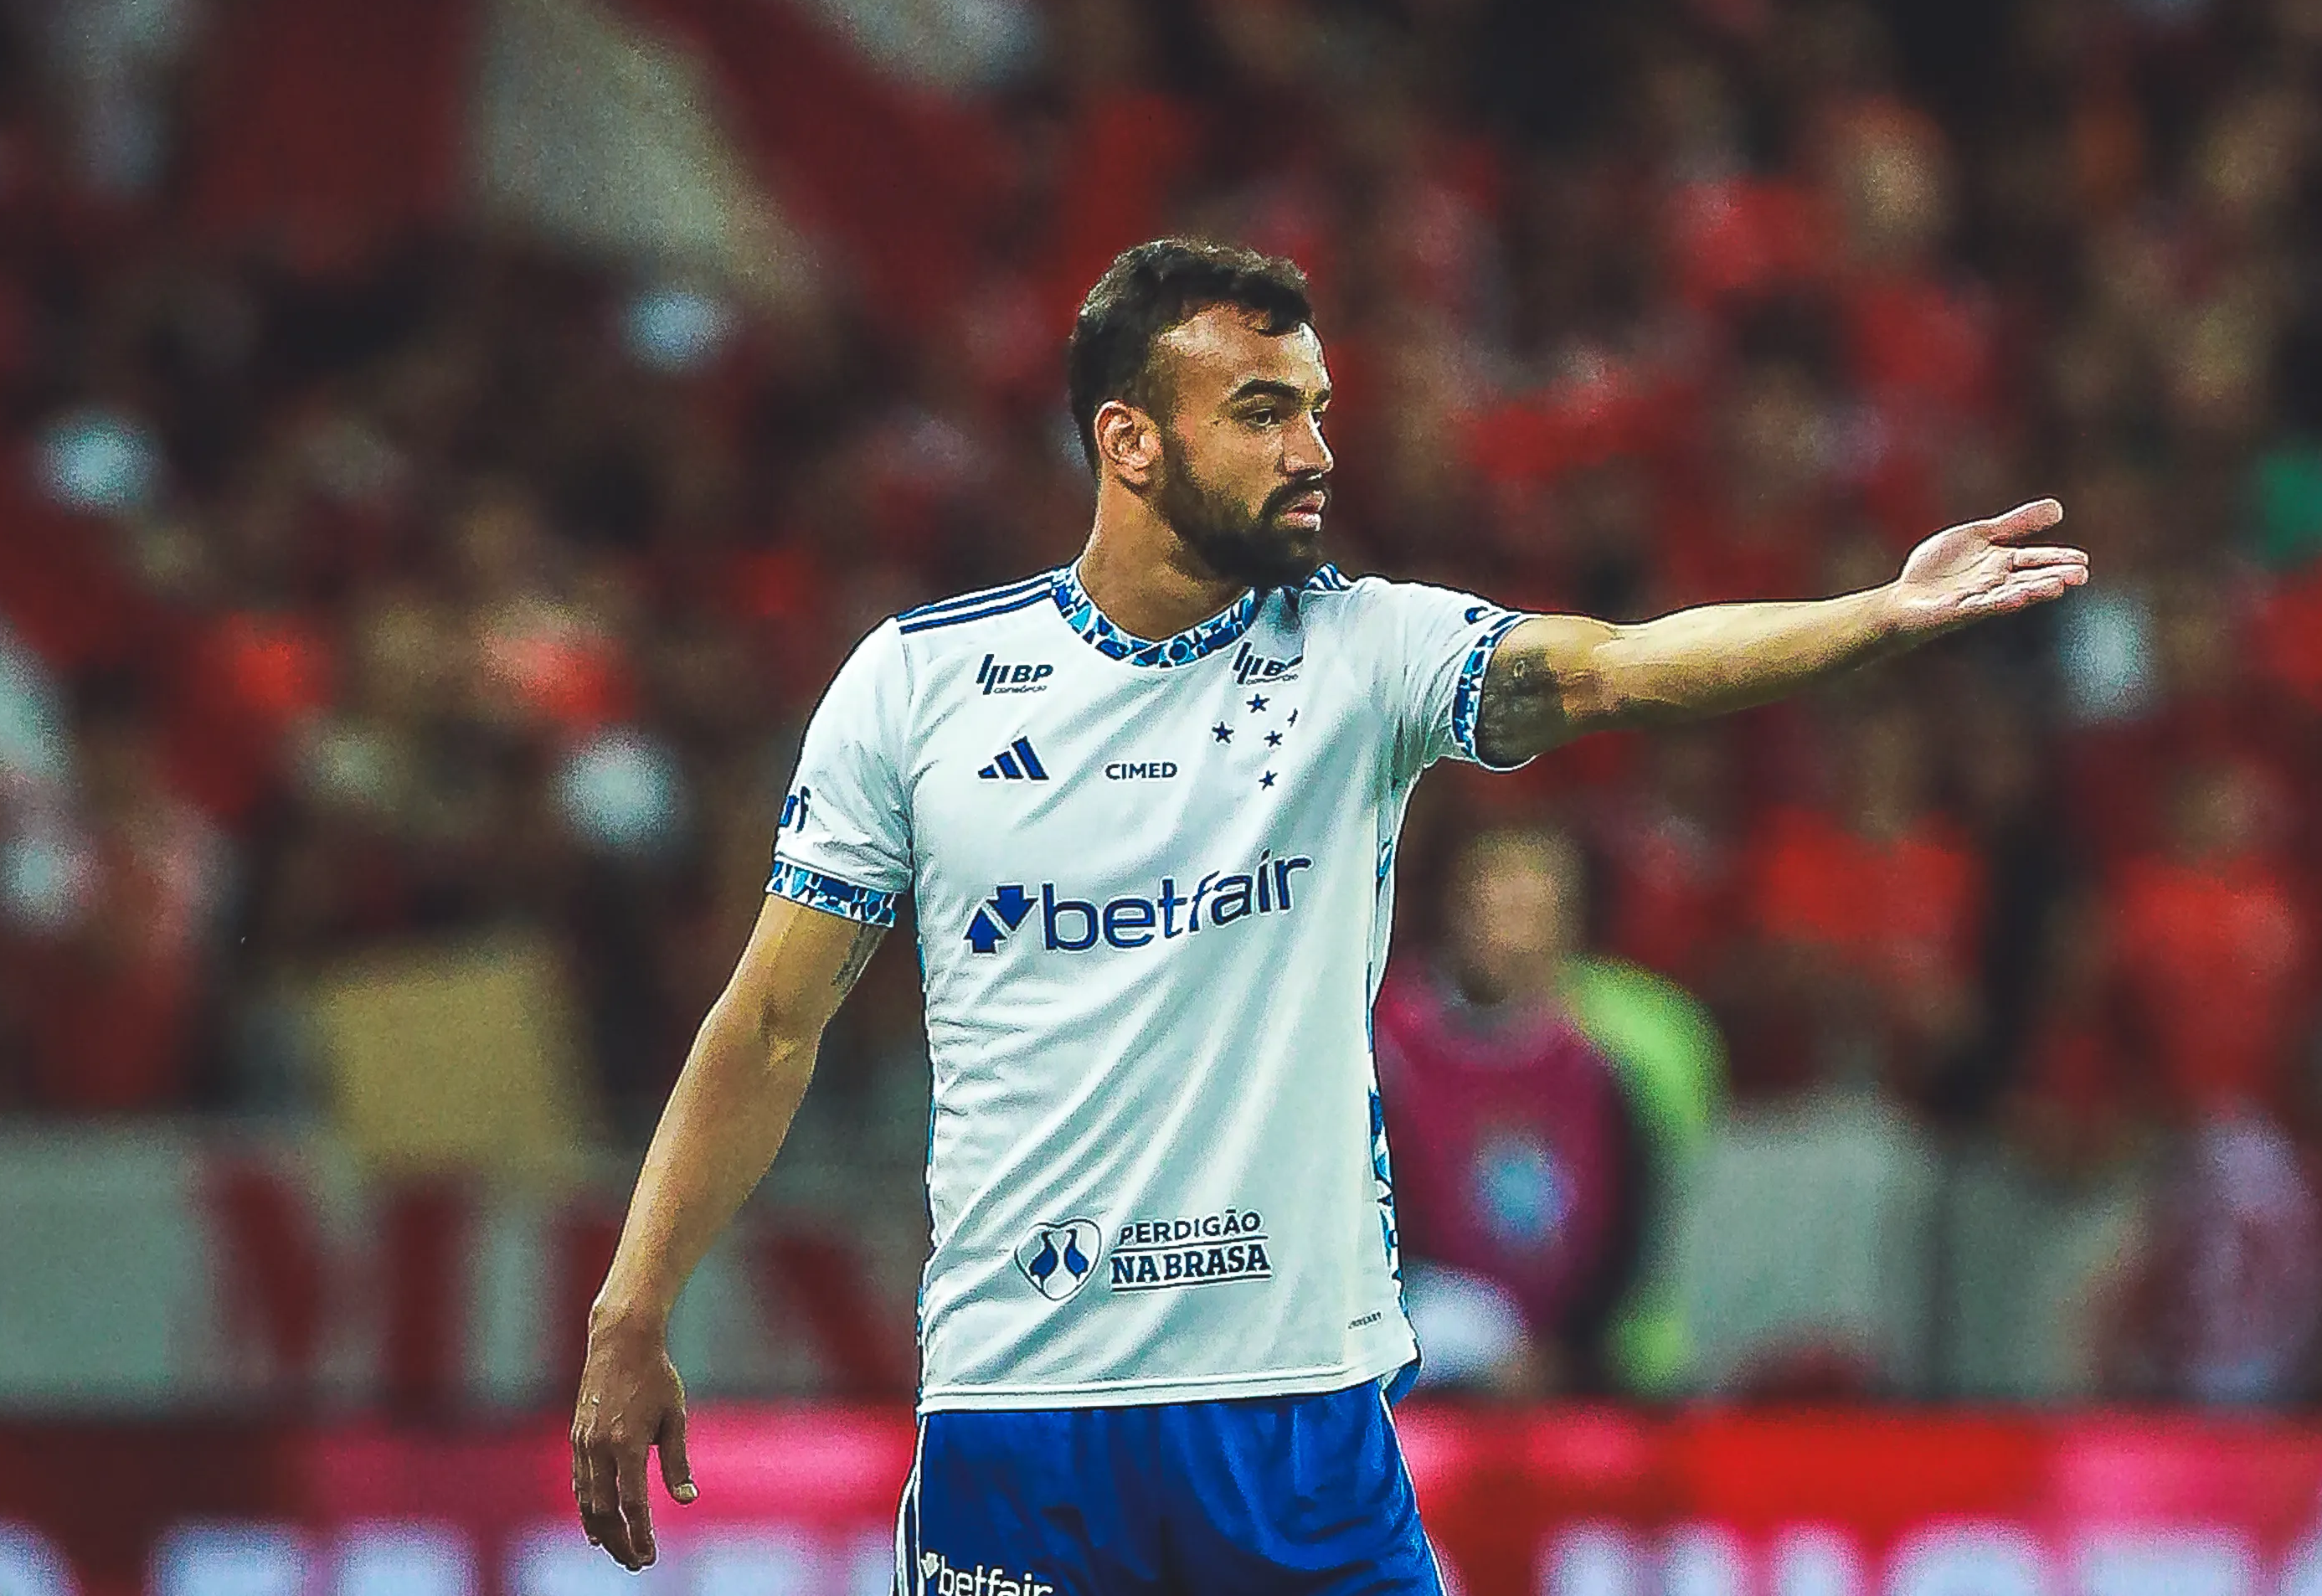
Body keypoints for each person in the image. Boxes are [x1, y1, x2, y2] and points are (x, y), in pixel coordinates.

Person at [568, 238, 2087, 1592]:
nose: (1313, 450)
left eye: (1318, 408)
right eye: (1263, 412)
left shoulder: (1360, 653)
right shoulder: (919, 684)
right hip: (1022, 1415)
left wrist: (1874, 615)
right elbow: (769, 1023)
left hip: (1297, 1412)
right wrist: (635, 1302)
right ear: (1132, 441)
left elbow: (1613, 664)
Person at [1372, 825, 1649, 1398]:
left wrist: (1566, 1351)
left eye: (1539, 910)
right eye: (1501, 905)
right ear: (1455, 909)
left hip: (1566, 1373)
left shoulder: (1600, 1062)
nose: (1519, 935)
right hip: (1421, 1363)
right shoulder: (1388, 1048)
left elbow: (1629, 1223)